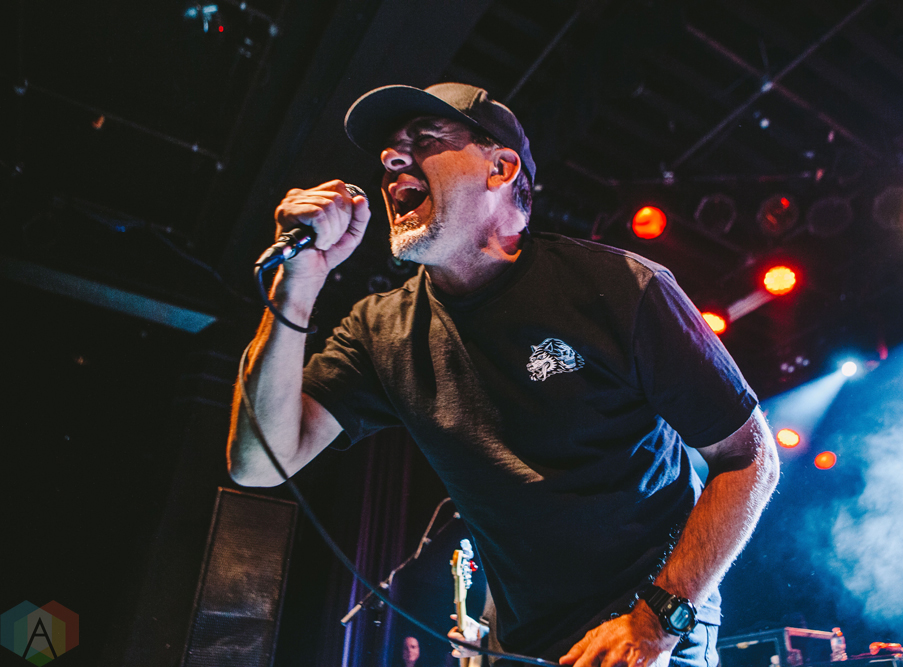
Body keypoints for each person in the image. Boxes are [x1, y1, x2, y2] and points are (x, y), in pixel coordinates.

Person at [228, 82, 780, 667]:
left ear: (501, 167)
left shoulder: (620, 288)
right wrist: (299, 283)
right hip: (517, 642)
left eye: (425, 139)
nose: (391, 161)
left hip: (645, 628)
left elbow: (750, 459)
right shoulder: (381, 329)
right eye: (390, 150)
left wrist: (656, 622)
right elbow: (258, 463)